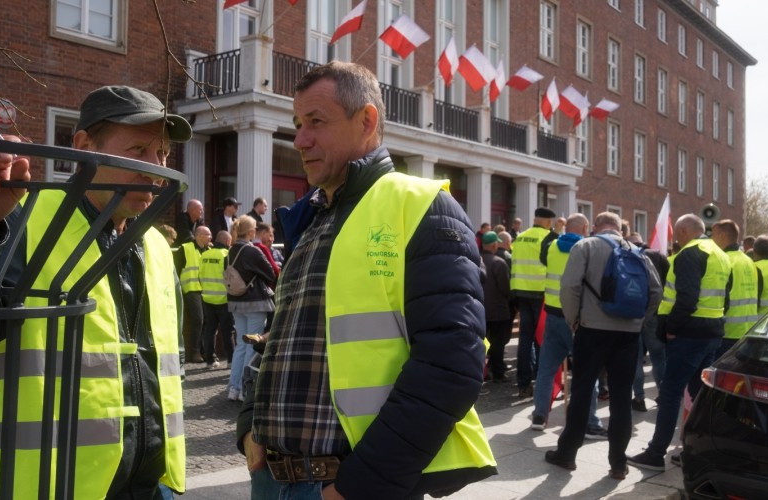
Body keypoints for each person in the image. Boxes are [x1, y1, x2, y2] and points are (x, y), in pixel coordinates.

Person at [238, 61, 496, 499]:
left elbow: (452, 364)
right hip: (272, 479)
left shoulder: (422, 206)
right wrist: (249, 427)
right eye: (298, 124)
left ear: (367, 121)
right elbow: (281, 336)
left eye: (316, 122)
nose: (300, 139)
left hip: (346, 485)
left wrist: (361, 486)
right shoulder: (312, 218)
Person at [0, 85, 189, 497]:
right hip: (46, 486)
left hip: (153, 486)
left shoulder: (157, 245)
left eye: (161, 154)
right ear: (83, 146)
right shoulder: (22, 223)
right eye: (139, 150)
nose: (155, 167)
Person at [544, 212, 662, 480]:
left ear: (595, 226)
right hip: (629, 335)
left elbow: (570, 287)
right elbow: (656, 292)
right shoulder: (639, 252)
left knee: (583, 391)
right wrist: (640, 321)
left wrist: (575, 321)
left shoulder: (585, 246)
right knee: (621, 398)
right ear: (620, 229)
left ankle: (567, 454)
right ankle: (618, 463)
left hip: (592, 330)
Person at [628, 214, 730, 472]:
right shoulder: (719, 253)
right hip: (712, 330)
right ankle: (699, 451)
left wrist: (671, 328)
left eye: (677, 233)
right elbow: (725, 298)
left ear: (684, 230)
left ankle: (655, 453)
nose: (675, 238)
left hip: (689, 333)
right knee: (700, 393)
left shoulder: (690, 253)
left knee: (671, 391)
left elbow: (686, 298)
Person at [531, 213, 607, 438]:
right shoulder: (587, 247)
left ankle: (539, 415)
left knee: (546, 368)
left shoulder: (553, 245)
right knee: (586, 371)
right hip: (577, 318)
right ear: (585, 227)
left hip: (552, 315)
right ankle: (590, 421)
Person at [226, 215, 276, 402]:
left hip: (235, 302)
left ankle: (233, 388)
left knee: (240, 345)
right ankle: (245, 389)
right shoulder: (252, 251)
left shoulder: (230, 251)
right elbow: (270, 272)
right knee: (252, 345)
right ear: (252, 232)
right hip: (255, 302)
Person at [510, 206, 557, 402]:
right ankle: (541, 382)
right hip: (541, 293)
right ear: (547, 222)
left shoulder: (520, 237)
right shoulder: (548, 237)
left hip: (521, 292)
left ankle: (523, 384)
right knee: (542, 339)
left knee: (525, 339)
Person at [627, 232, 669, 412]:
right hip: (655, 313)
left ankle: (639, 398)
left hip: (632, 313)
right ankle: (663, 394)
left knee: (635, 359)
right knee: (658, 356)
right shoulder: (658, 256)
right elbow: (667, 285)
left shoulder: (627, 256)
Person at [711, 220, 759, 357]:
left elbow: (719, 298)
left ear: (722, 235)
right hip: (748, 330)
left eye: (713, 234)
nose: (711, 239)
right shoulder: (748, 261)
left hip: (727, 331)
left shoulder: (723, 260)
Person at [174, 225, 213, 363]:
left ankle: (204, 351)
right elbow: (175, 270)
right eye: (208, 234)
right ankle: (195, 352)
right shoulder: (185, 248)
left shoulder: (209, 251)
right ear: (199, 236)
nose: (210, 237)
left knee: (207, 321)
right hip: (191, 289)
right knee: (198, 320)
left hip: (206, 290)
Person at [200, 229, 236, 369]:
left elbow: (200, 274)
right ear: (228, 241)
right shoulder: (226, 255)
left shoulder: (205, 254)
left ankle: (210, 361)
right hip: (224, 298)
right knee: (228, 331)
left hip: (207, 297)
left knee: (210, 330)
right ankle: (231, 360)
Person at [481, 231, 513, 383]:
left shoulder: (475, 261)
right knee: (498, 343)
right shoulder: (499, 262)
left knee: (482, 343)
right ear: (494, 245)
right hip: (498, 310)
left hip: (480, 310)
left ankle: (483, 371)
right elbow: (505, 288)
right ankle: (498, 371)